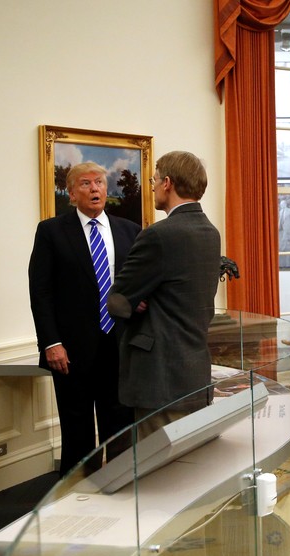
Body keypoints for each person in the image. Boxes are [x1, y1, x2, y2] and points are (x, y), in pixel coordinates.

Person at [28, 162, 140, 475]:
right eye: (86, 183)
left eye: (100, 183)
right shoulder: (51, 232)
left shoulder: (129, 231)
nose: (94, 189)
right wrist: (51, 342)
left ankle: (119, 489)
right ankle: (75, 496)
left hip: (119, 346)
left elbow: (138, 284)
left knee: (119, 426)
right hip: (70, 352)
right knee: (76, 429)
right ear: (72, 193)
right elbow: (41, 293)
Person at [107, 151, 221, 438]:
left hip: (159, 380)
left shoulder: (159, 234)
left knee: (156, 474)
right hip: (194, 371)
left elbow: (117, 302)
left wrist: (138, 301)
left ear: (167, 183)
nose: (153, 186)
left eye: (154, 180)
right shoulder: (210, 231)